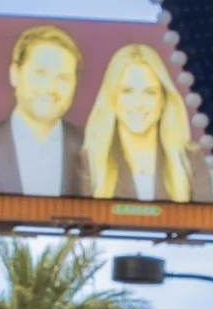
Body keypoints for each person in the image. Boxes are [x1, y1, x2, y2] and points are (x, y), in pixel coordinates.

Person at [0, 22, 87, 200]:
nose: (51, 87)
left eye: (63, 78)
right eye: (41, 73)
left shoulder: (91, 147)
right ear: (15, 74)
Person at [82, 38, 202, 205]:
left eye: (149, 92)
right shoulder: (86, 162)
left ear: (163, 100)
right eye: (127, 91)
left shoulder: (193, 160)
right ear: (111, 98)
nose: (138, 104)